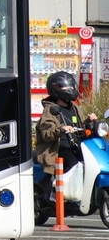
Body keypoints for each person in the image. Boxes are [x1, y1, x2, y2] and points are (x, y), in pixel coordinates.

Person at [35, 70, 97, 200]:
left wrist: (89, 122)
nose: (70, 89)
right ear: (56, 89)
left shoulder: (74, 107)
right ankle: (62, 195)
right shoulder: (50, 109)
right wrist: (61, 129)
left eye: (71, 86)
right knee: (74, 164)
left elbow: (80, 127)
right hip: (57, 148)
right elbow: (47, 133)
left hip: (76, 145)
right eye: (66, 87)